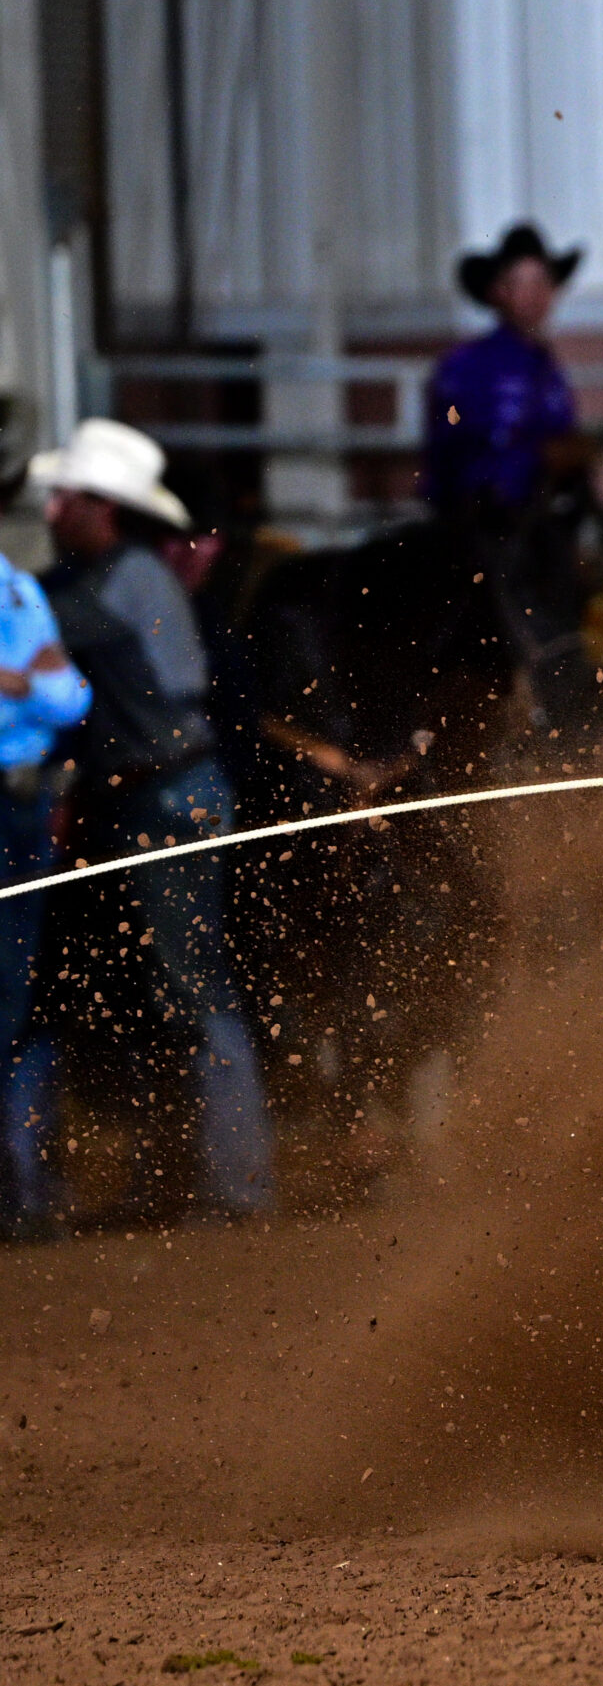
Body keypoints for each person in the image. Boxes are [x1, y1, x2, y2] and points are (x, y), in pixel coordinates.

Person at [23, 419, 270, 1221]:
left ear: (103, 506)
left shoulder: (111, 583)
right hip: (161, 792)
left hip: (165, 797)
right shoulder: (122, 577)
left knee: (190, 987)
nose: (52, 505)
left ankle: (235, 1186)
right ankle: (200, 1177)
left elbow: (43, 623)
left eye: (65, 495)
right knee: (169, 987)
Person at [426, 222, 587, 709]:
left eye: (544, 283)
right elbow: (465, 446)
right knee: (524, 605)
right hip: (484, 523)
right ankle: (556, 697)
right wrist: (542, 456)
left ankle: (560, 691)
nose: (537, 296)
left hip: (535, 522)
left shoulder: (543, 364)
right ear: (498, 292)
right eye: (523, 283)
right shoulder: (469, 365)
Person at [0, 523, 87, 1240]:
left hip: (18, 806)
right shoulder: (21, 593)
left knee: (18, 998)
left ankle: (27, 1188)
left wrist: (19, 682)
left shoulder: (16, 590)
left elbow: (68, 698)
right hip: (19, 807)